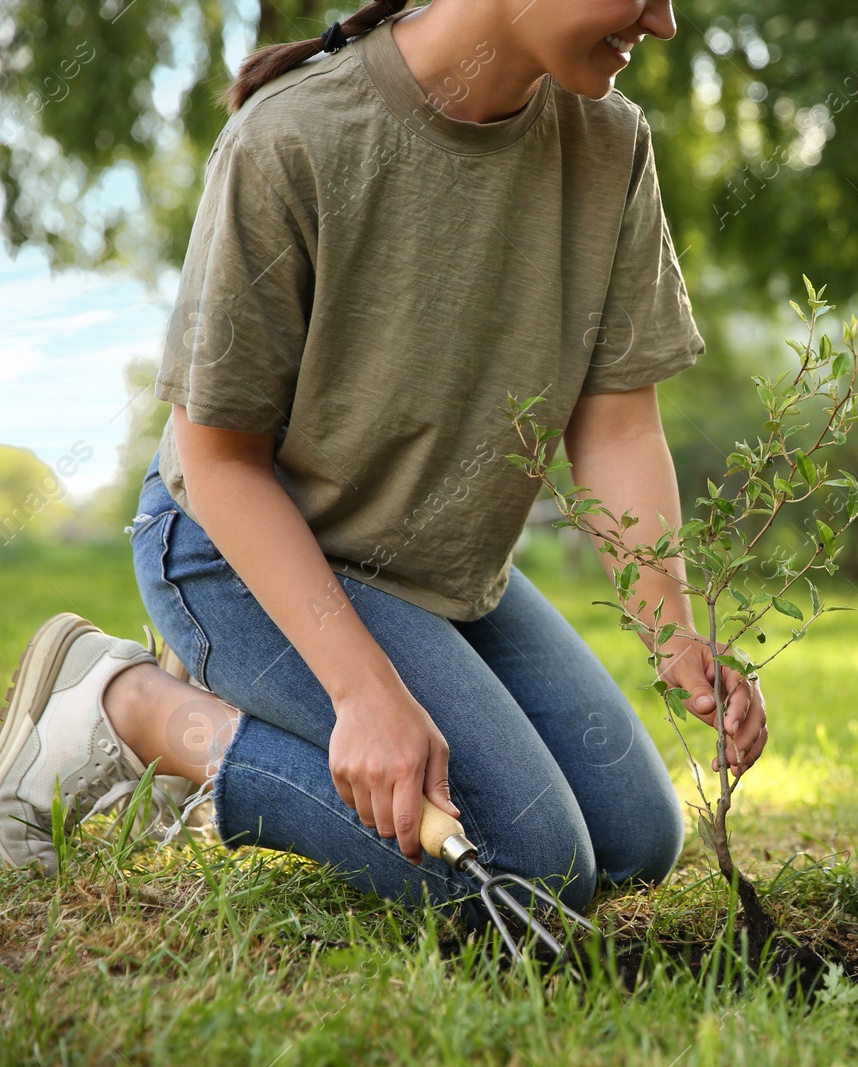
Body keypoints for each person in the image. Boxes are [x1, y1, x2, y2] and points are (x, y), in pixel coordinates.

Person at [0, 0, 768, 926]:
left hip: (441, 573)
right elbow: (216, 463)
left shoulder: (610, 146)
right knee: (535, 870)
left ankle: (265, 703)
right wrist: (365, 691)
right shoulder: (293, 137)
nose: (664, 22)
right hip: (233, 554)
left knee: (639, 840)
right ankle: (131, 712)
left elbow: (614, 429)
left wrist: (673, 626)